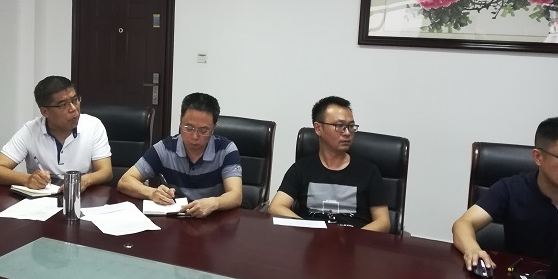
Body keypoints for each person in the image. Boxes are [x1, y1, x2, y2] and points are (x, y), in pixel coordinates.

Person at [452, 117, 558, 271]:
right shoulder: (511, 189)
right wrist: (472, 250)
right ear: (538, 157)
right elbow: (464, 224)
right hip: (515, 276)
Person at [268, 96, 390, 232]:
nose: (347, 133)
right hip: (311, 239)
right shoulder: (301, 168)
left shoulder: (368, 171)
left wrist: (353, 238)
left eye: (351, 126)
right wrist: (308, 228)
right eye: (340, 126)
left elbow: (383, 222)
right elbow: (276, 207)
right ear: (318, 128)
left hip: (354, 240)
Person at [118, 92, 242, 218]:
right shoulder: (165, 149)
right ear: (180, 122)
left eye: (203, 131)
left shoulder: (226, 149)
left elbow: (236, 195)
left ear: (214, 128)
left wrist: (214, 203)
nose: (194, 136)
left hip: (212, 220)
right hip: (175, 220)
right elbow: (125, 181)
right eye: (188, 128)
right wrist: (152, 193)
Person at [0, 76, 112, 191]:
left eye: (74, 100)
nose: (73, 109)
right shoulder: (30, 130)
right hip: (41, 200)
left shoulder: (93, 125)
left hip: (81, 197)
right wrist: (27, 179)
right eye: (63, 105)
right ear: (45, 112)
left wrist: (85, 181)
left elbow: (106, 172)